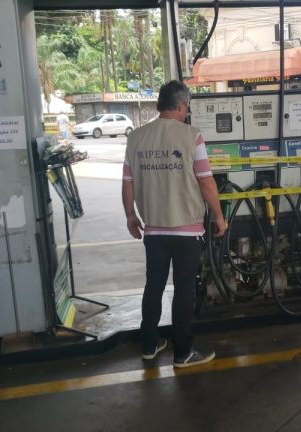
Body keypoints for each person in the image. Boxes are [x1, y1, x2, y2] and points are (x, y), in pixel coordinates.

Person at [122, 80, 227, 368]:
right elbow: (206, 182)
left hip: (153, 229)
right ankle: (183, 353)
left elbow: (128, 182)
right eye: (187, 106)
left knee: (153, 286)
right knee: (184, 290)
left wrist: (131, 216)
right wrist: (218, 216)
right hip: (187, 230)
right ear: (181, 105)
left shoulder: (137, 138)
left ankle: (149, 344)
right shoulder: (192, 136)